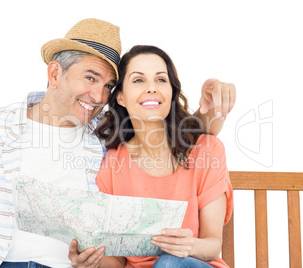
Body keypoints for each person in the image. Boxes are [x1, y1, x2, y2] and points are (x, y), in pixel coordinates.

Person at [0, 19, 235, 268]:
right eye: (90, 78)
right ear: (55, 73)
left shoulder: (105, 140)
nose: (98, 96)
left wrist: (213, 104)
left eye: (106, 86)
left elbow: (174, 132)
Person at [88, 45, 232, 268]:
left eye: (161, 80)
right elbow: (116, 259)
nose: (152, 88)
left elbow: (212, 245)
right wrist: (91, 262)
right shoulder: (112, 164)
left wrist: (189, 246)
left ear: (172, 92)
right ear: (121, 98)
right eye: (138, 80)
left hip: (189, 265)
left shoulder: (207, 151)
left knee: (169, 264)